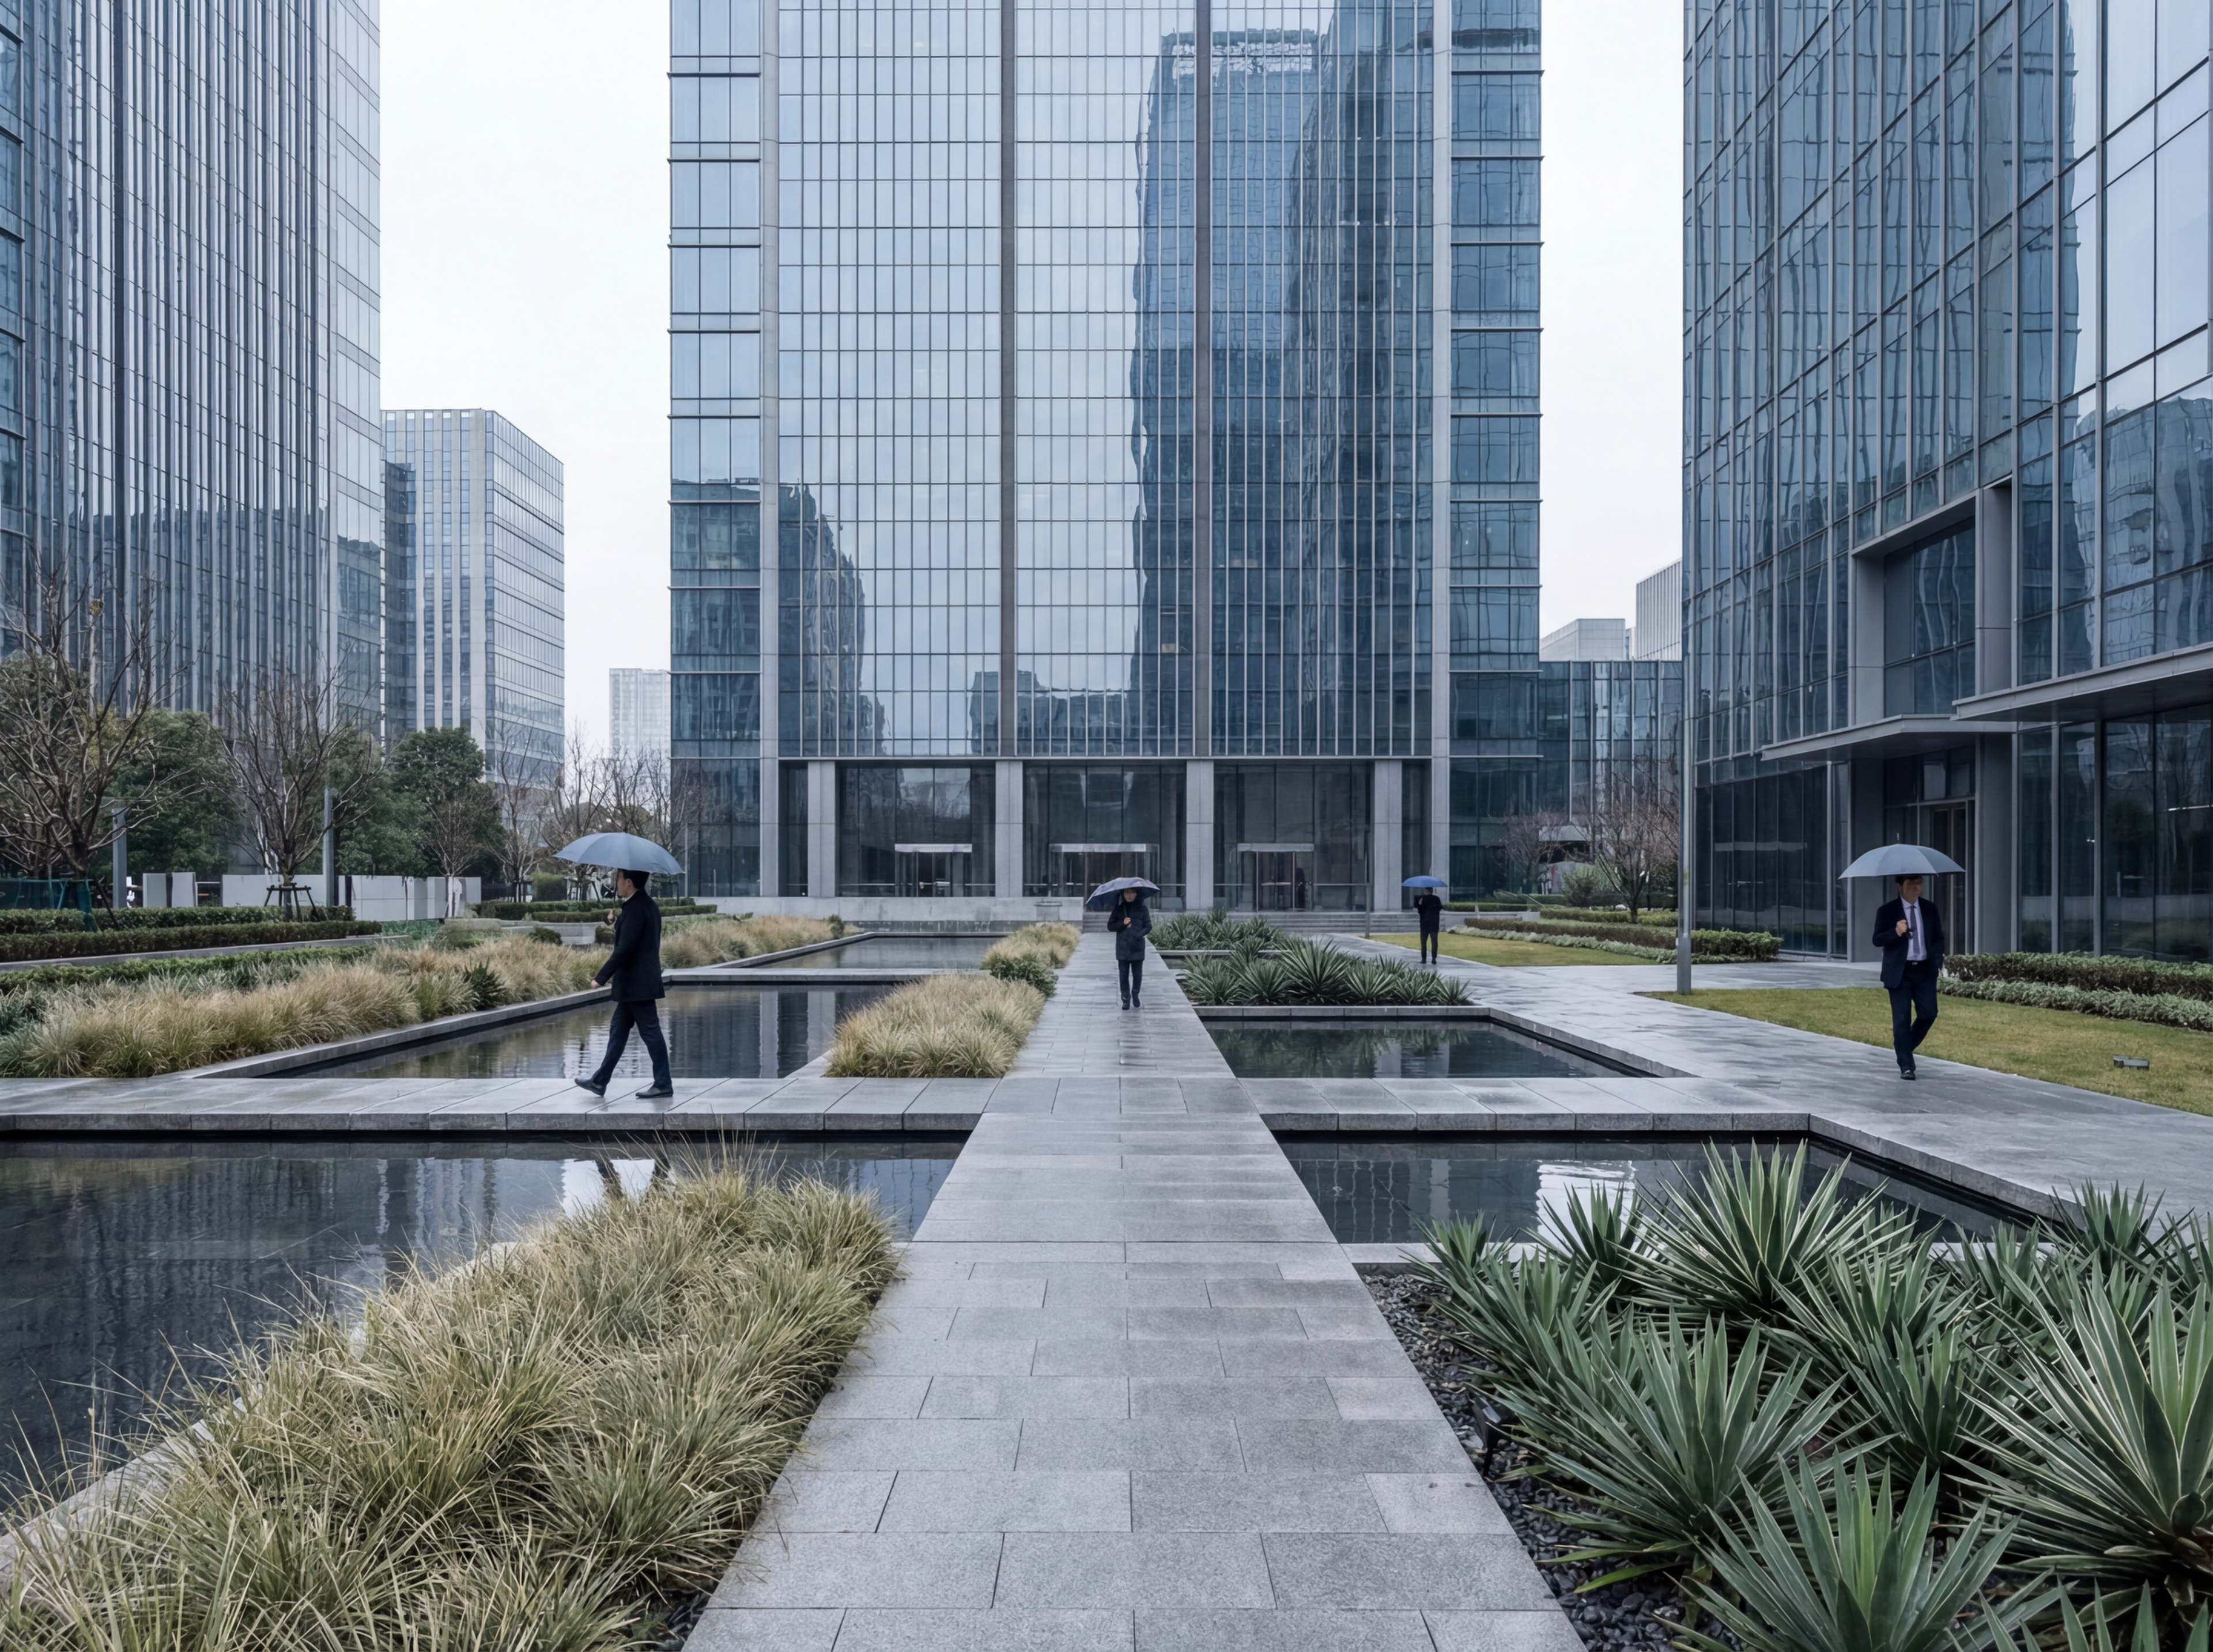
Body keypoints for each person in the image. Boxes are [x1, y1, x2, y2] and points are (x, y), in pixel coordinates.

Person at [576, 869, 672, 1099]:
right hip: (635, 985)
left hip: (637, 985)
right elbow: (635, 940)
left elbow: (625, 949)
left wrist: (601, 976)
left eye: (618, 878)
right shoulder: (642, 905)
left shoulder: (636, 909)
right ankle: (599, 1082)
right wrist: (618, 921)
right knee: (618, 1032)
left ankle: (663, 1083)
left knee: (651, 1033)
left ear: (629, 882)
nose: (615, 883)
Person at [1872, 872, 1946, 1081]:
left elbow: (1938, 938)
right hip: (1900, 973)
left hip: (1924, 971)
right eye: (1911, 883)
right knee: (1902, 1020)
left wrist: (1936, 961)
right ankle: (1906, 1065)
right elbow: (1877, 939)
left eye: (1919, 883)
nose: (1916, 887)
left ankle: (1903, 1047)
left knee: (1929, 1014)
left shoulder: (1930, 909)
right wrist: (1895, 932)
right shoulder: (1887, 911)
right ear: (1900, 886)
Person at [1109, 884, 1151, 1010]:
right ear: (1123, 894)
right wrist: (1123, 923)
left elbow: (1148, 926)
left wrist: (1138, 935)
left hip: (1137, 947)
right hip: (1122, 947)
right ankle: (1126, 999)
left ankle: (1135, 994)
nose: (1129, 895)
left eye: (1132, 892)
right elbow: (1110, 926)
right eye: (1127, 892)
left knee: (1137, 974)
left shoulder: (1143, 909)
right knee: (1123, 975)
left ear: (1137, 894)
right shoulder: (1119, 909)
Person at [1413, 884, 1445, 965]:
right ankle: (1434, 958)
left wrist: (1420, 905)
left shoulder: (1421, 899)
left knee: (1424, 942)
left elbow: (1420, 911)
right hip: (1434, 924)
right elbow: (1440, 908)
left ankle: (1424, 959)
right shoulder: (1437, 899)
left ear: (1426, 890)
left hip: (1424, 924)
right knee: (1434, 942)